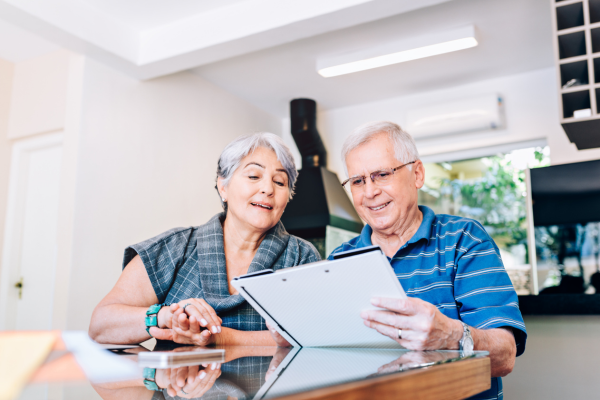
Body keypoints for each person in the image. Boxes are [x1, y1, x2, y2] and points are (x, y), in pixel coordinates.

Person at [329, 121, 526, 399]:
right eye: (358, 181)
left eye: (382, 174)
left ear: (417, 174)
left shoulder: (465, 239)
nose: (369, 192)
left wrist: (452, 337)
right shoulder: (339, 260)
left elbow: (505, 355)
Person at [89, 133, 320, 354]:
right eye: (253, 176)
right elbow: (101, 325)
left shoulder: (302, 257)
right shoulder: (175, 247)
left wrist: (220, 338)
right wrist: (167, 316)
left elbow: (315, 335)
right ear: (223, 187)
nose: (268, 189)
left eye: (280, 182)